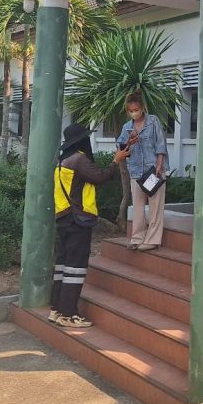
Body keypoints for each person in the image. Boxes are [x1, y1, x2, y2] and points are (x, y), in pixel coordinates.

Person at [51, 123, 130, 327]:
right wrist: (116, 161)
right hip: (77, 220)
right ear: (81, 141)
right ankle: (68, 315)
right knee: (75, 268)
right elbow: (100, 177)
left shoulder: (62, 160)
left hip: (63, 218)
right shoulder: (78, 160)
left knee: (62, 265)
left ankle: (56, 310)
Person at [116, 91, 169, 251]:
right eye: (131, 110)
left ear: (142, 108)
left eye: (136, 109)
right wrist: (129, 142)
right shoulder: (126, 127)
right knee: (138, 206)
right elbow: (121, 149)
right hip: (136, 171)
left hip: (154, 170)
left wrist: (159, 165)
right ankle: (137, 237)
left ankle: (153, 239)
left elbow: (161, 143)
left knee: (155, 206)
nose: (134, 112)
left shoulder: (153, 121)